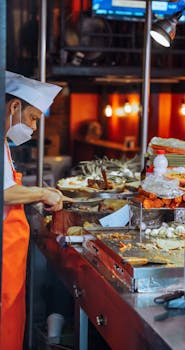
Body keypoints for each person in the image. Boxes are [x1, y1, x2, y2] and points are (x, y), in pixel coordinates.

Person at [1, 71, 74, 350]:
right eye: (33, 118)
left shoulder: (3, 144)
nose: (33, 127)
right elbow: (5, 193)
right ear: (14, 107)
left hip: (10, 258)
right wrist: (43, 193)